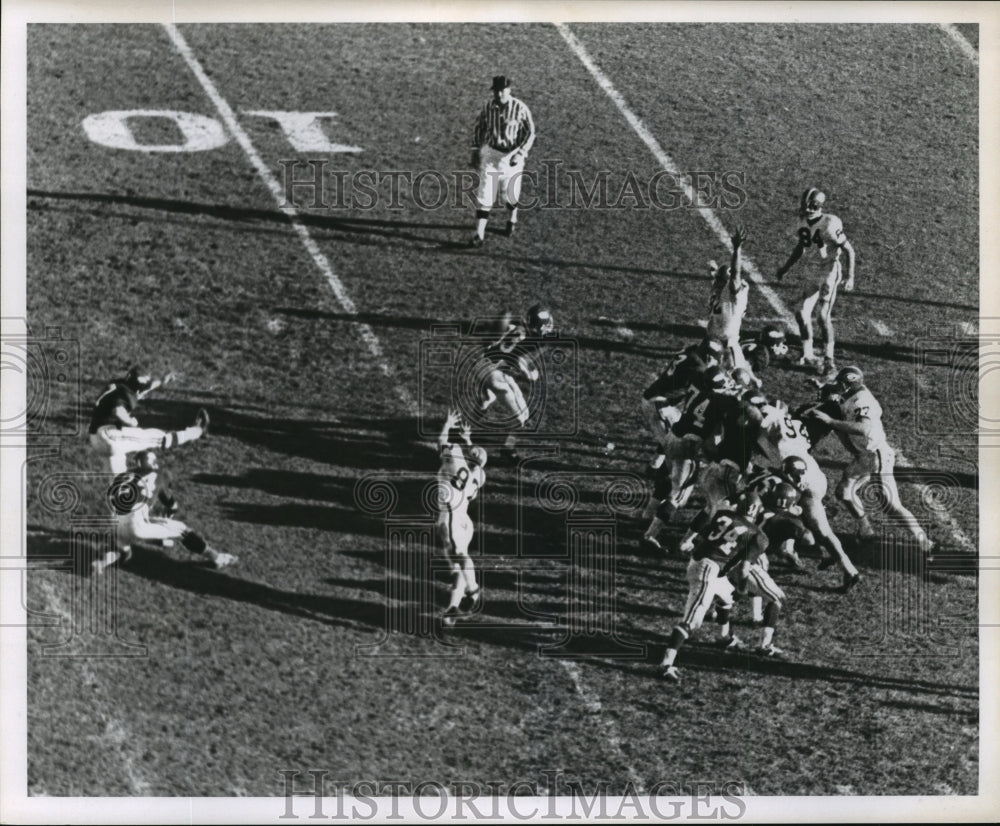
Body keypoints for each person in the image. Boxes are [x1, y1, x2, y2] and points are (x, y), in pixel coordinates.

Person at [809, 366, 933, 551]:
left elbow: (864, 428)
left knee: (890, 504)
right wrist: (821, 386)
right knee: (844, 492)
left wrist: (831, 422)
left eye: (841, 384)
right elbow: (836, 393)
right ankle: (866, 530)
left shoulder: (862, 400)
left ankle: (924, 542)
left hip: (876, 455)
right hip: (864, 455)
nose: (838, 387)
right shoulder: (854, 391)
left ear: (848, 385)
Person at [659, 494, 769, 682]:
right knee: (692, 621)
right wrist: (742, 589)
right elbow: (744, 568)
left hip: (701, 562)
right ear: (758, 513)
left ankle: (724, 637)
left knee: (726, 597)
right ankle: (666, 664)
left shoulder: (724, 514)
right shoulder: (758, 535)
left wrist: (688, 540)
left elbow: (707, 530)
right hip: (708, 570)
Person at [93, 450, 237, 574]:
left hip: (115, 519)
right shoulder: (159, 474)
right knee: (182, 530)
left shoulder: (124, 475)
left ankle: (102, 563)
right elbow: (172, 505)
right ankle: (217, 558)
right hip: (136, 522)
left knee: (124, 550)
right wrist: (168, 515)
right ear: (153, 462)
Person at [775, 188, 856, 379]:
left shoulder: (830, 222)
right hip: (810, 270)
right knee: (801, 313)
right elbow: (800, 247)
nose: (809, 209)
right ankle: (807, 352)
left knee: (821, 316)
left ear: (819, 206)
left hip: (828, 271)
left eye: (813, 205)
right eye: (807, 205)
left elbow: (849, 250)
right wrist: (785, 268)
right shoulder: (802, 221)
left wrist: (850, 276)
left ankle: (829, 359)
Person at [89, 365, 209, 474]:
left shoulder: (119, 384)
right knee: (159, 438)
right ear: (137, 387)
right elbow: (118, 411)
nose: (143, 394)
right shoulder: (126, 394)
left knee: (120, 488)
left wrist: (162, 380)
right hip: (109, 435)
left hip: (95, 438)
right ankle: (197, 431)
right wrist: (130, 421)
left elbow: (147, 387)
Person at [475, 304, 554, 456]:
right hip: (494, 374)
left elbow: (494, 338)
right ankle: (508, 449)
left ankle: (462, 429)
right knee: (522, 417)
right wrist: (529, 374)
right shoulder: (526, 337)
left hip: (483, 364)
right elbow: (515, 358)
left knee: (486, 399)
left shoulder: (515, 327)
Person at [469, 75, 536, 246]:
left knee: (510, 196)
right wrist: (475, 150)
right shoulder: (488, 107)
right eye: (496, 90)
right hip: (492, 155)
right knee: (485, 195)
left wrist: (521, 153)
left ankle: (512, 219)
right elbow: (479, 127)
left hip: (512, 157)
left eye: (502, 90)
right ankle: (479, 234)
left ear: (509, 90)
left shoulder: (520, 108)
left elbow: (530, 132)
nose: (499, 94)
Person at [435, 410, 487, 624]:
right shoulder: (479, 475)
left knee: (457, 556)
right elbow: (472, 463)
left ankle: (474, 592)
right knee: (458, 564)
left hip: (451, 517)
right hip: (464, 519)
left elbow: (441, 443)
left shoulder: (456, 457)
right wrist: (468, 440)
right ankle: (453, 609)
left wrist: (447, 424)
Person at [705, 226, 751, 370]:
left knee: (736, 374)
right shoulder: (720, 287)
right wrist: (714, 269)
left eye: (719, 280)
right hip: (713, 341)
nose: (716, 282)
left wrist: (737, 249)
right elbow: (718, 277)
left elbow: (735, 273)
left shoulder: (730, 292)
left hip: (727, 345)